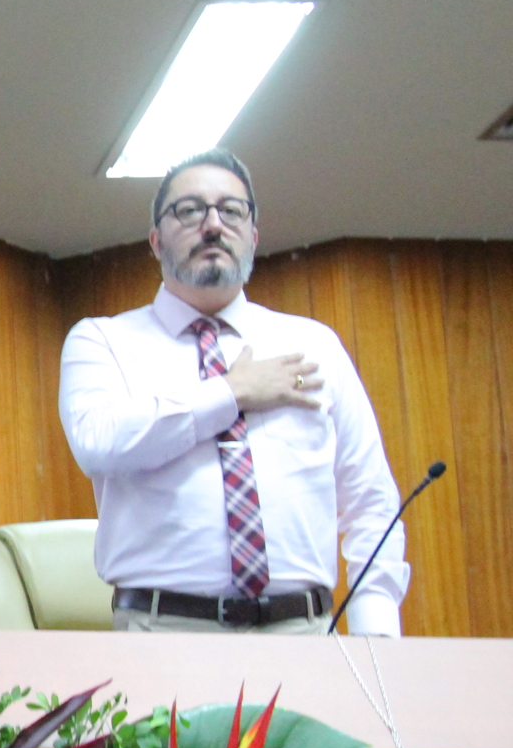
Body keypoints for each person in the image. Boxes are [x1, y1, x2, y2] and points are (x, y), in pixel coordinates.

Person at [59, 149, 408, 635]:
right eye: (189, 210)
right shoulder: (103, 340)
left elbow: (370, 500)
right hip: (162, 631)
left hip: (303, 632)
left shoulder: (313, 345)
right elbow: (99, 443)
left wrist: (377, 632)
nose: (213, 225)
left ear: (253, 236)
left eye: (231, 210)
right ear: (156, 241)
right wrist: (230, 393)